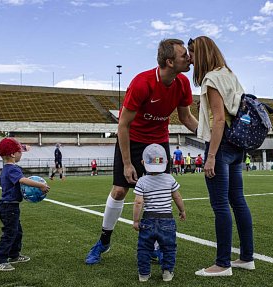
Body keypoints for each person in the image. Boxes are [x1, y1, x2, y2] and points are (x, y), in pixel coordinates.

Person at [85, 39, 198, 265]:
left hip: (158, 144)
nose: (189, 58)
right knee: (119, 191)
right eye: (184, 55)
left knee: (159, 195)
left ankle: (155, 245)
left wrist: (209, 135)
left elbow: (185, 117)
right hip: (133, 140)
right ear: (169, 61)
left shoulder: (183, 82)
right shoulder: (142, 83)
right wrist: (127, 163)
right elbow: (123, 125)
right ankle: (104, 241)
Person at [189, 36, 254, 277]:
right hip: (238, 145)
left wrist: (211, 156)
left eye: (193, 54)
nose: (191, 60)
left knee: (220, 205)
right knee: (238, 200)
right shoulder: (229, 74)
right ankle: (247, 257)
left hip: (221, 144)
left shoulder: (211, 79)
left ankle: (222, 263)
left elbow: (218, 119)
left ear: (202, 54)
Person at [0, 138, 50, 271]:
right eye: (20, 151)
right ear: (13, 154)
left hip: (8, 206)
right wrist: (41, 185)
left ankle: (14, 255)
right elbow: (23, 180)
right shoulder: (13, 169)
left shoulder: (6, 169)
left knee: (17, 232)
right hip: (9, 207)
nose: (21, 153)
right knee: (10, 233)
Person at [132, 144, 186, 282]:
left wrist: (136, 221)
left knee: (144, 248)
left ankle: (143, 274)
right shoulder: (169, 178)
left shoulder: (142, 181)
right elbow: (177, 197)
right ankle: (167, 272)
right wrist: (182, 210)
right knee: (168, 248)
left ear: (143, 162)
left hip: (148, 220)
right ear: (166, 162)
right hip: (167, 220)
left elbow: (138, 202)